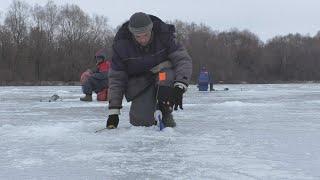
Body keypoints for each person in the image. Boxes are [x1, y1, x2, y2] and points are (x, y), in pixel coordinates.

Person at [106, 12, 192, 129]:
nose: (142, 39)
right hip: (139, 83)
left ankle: (165, 110)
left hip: (162, 76)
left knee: (165, 75)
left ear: (151, 30)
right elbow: (116, 78)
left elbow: (182, 59)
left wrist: (180, 85)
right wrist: (113, 112)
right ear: (132, 34)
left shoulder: (164, 36)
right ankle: (147, 113)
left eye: (145, 35)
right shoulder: (121, 46)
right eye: (138, 36)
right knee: (140, 122)